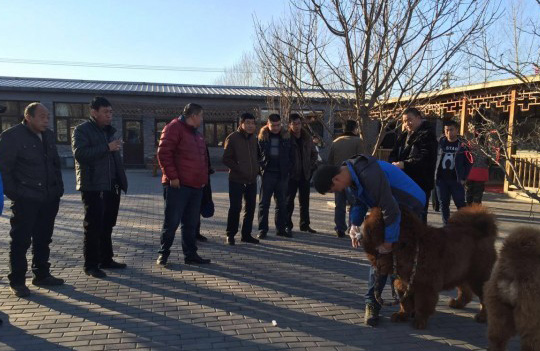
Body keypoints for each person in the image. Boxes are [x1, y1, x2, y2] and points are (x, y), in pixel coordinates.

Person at [312, 155, 426, 327]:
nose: (337, 192)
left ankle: (395, 301)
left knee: (384, 255)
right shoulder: (350, 173)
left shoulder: (368, 174)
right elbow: (359, 202)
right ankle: (381, 302)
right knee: (386, 255)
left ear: (336, 178)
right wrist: (354, 224)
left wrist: (389, 241)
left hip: (410, 205)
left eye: (333, 189)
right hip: (393, 208)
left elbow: (391, 210)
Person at [0, 103, 65, 297]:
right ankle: (18, 280)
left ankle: (42, 274)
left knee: (43, 238)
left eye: (48, 116)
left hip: (49, 197)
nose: (46, 120)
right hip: (25, 199)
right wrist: (16, 194)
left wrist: (58, 189)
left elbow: (55, 164)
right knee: (20, 240)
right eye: (42, 116)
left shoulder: (49, 135)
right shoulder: (11, 137)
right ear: (28, 117)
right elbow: (5, 169)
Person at [72, 97, 128, 279]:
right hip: (93, 186)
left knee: (108, 225)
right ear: (93, 112)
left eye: (111, 112)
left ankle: (106, 259)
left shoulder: (109, 132)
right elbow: (80, 155)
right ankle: (91, 265)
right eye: (106, 112)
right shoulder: (82, 131)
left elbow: (113, 158)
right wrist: (106, 147)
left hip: (112, 186)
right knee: (94, 226)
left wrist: (121, 180)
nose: (109, 115)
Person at [156, 103, 211, 266]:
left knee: (191, 223)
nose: (202, 119)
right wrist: (172, 177)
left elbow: (203, 159)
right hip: (177, 186)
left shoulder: (197, 134)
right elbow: (164, 153)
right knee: (171, 222)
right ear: (194, 115)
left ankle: (191, 255)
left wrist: (204, 181)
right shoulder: (173, 128)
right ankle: (163, 254)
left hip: (195, 186)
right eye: (201, 116)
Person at [389, 107, 437, 224]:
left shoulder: (427, 135)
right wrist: (394, 162)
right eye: (404, 121)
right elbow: (394, 153)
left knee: (418, 217)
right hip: (403, 181)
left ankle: (419, 241)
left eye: (409, 120)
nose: (407, 124)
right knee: (403, 216)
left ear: (418, 118)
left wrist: (404, 164)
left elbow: (425, 158)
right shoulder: (404, 135)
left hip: (420, 182)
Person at [222, 113, 260, 245]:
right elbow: (226, 159)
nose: (250, 125)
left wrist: (257, 169)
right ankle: (230, 234)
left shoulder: (254, 138)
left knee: (250, 208)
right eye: (248, 123)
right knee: (235, 208)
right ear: (241, 124)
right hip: (236, 179)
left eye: (252, 123)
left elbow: (257, 157)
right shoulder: (232, 138)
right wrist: (239, 168)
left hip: (251, 180)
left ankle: (246, 234)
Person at [257, 114, 294, 239]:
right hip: (267, 174)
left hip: (282, 174)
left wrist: (289, 168)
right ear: (268, 124)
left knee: (282, 203)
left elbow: (292, 155)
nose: (276, 128)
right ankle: (262, 229)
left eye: (278, 125)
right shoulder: (262, 137)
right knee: (264, 203)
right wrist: (260, 168)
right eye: (273, 125)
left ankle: (281, 229)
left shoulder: (287, 136)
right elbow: (257, 154)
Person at [327, 120, 363, 237]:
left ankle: (339, 228)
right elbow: (362, 160)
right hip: (352, 178)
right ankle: (352, 227)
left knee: (339, 204)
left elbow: (330, 161)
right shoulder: (358, 142)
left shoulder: (335, 142)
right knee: (354, 203)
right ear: (354, 129)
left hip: (337, 178)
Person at [285, 114, 319, 235]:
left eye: (299, 123)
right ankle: (287, 225)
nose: (297, 126)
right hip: (292, 175)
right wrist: (289, 168)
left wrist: (310, 166)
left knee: (305, 202)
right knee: (289, 201)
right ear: (290, 125)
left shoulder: (307, 137)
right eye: (294, 124)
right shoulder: (286, 138)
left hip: (305, 174)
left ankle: (305, 225)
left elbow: (314, 154)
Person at [434, 121, 472, 225]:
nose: (448, 132)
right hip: (441, 179)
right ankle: (446, 225)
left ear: (456, 130)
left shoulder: (463, 144)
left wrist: (464, 177)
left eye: (451, 130)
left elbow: (469, 162)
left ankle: (465, 225)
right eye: (446, 130)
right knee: (443, 204)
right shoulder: (440, 143)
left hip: (456, 179)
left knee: (460, 204)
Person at [465, 136, 490, 205]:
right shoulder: (486, 146)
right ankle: (476, 207)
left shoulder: (470, 144)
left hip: (470, 171)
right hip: (481, 172)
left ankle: (468, 205)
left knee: (469, 190)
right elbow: (490, 159)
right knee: (478, 192)